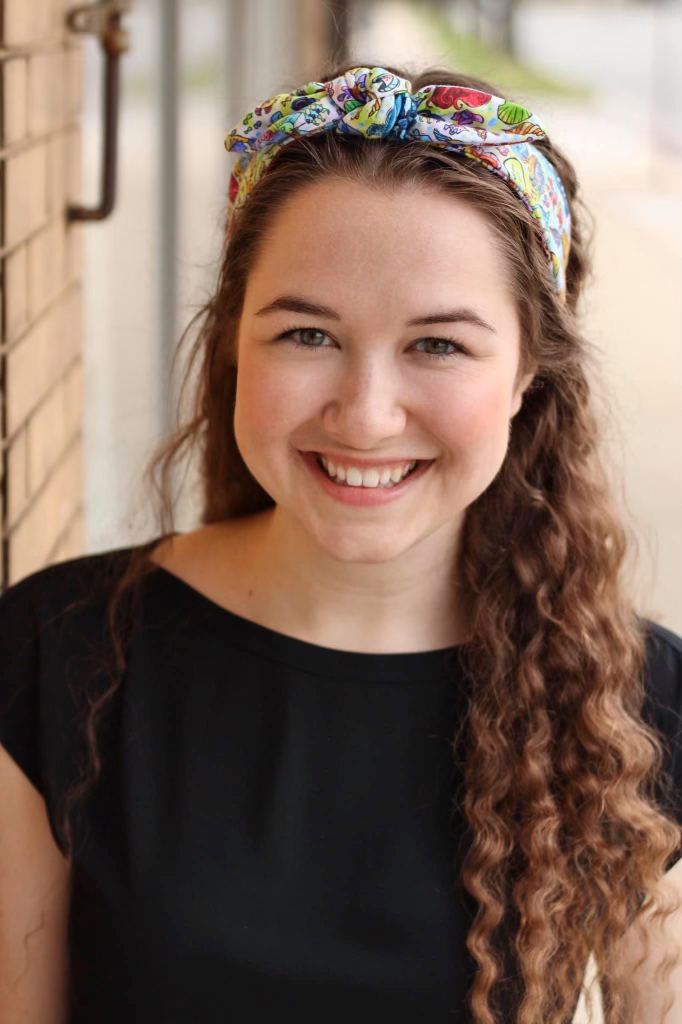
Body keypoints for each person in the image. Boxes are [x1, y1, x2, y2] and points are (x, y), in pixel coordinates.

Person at [0, 62, 681, 1024]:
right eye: (308, 335)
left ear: (531, 371)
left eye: (438, 345)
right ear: (236, 339)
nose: (365, 416)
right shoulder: (52, 655)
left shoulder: (638, 708)